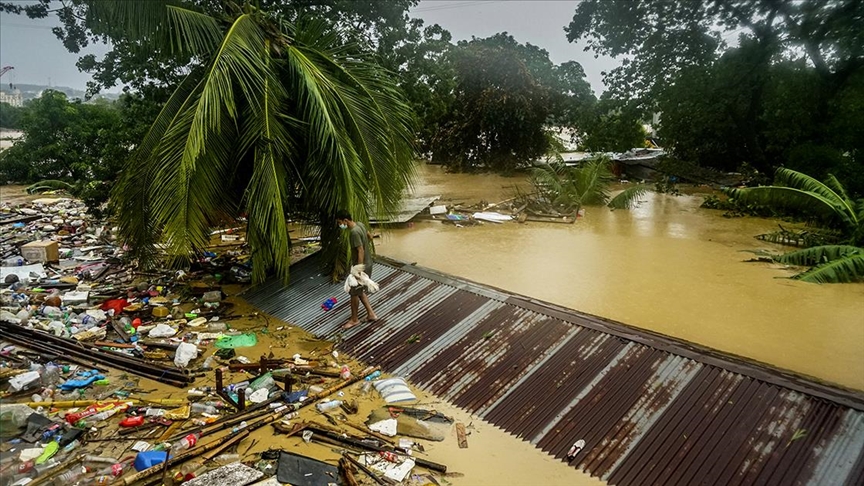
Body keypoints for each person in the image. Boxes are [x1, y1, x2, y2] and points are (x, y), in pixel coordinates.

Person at [336, 210, 378, 329]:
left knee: (353, 293)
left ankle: (354, 319)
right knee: (359, 291)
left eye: (340, 223)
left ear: (345, 220)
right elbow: (370, 236)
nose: (340, 225)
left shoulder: (354, 232)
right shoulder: (360, 225)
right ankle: (371, 314)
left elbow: (360, 250)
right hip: (368, 263)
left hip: (361, 266)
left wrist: (358, 271)